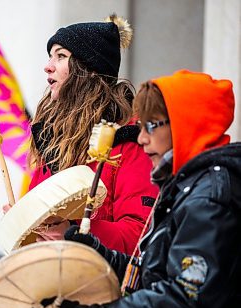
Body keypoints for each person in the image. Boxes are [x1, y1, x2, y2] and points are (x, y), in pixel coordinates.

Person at [32, 70, 241, 308]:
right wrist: (102, 255)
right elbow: (156, 274)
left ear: (187, 125)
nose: (141, 138)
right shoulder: (186, 186)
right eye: (141, 126)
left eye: (152, 125)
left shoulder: (209, 197)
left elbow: (182, 301)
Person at [24, 14, 158, 253]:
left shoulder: (131, 140)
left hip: (102, 285)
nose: (48, 65)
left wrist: (74, 232)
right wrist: (22, 220)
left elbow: (141, 235)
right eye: (50, 56)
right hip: (51, 282)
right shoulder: (51, 140)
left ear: (88, 69)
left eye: (61, 56)